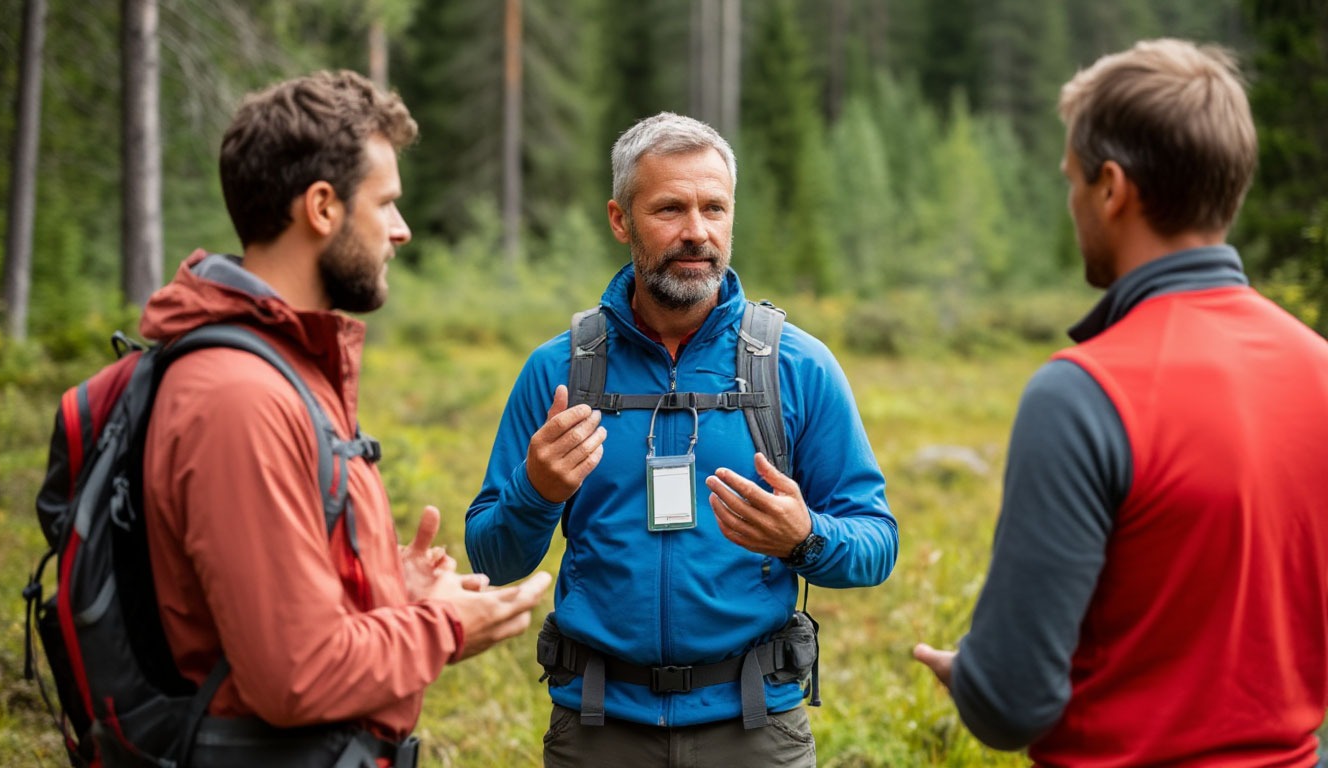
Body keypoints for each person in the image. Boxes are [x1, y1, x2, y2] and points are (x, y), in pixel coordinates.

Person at [913, 38, 1328, 764]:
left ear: (1113, 188)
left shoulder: (1082, 395)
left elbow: (1013, 703)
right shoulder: (1319, 368)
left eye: (1072, 180)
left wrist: (972, 677)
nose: (1072, 202)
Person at [139, 70, 551, 765]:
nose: (401, 230)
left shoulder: (281, 366)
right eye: (385, 203)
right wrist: (441, 625)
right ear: (322, 207)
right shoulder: (240, 399)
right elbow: (294, 675)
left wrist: (390, 588)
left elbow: (267, 594)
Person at [465, 111, 898, 767]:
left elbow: (877, 543)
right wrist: (536, 492)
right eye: (669, 208)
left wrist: (803, 537)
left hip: (757, 731)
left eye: (714, 208)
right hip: (597, 729)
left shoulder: (796, 368)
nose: (696, 232)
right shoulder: (558, 373)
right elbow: (492, 559)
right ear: (620, 220)